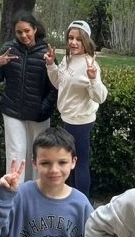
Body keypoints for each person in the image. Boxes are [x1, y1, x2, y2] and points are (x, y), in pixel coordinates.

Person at [0, 11, 57, 181]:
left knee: (39, 152)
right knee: (16, 152)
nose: (23, 35)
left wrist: (45, 108)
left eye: (27, 31)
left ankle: (37, 189)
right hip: (12, 110)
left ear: (34, 29)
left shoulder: (45, 52)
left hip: (38, 113)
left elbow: (56, 85)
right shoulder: (9, 49)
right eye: (19, 32)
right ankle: (14, 191)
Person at [44, 20, 107, 196]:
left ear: (86, 40)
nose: (73, 42)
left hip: (81, 122)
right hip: (67, 119)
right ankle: (70, 198)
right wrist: (51, 65)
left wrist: (93, 78)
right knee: (68, 162)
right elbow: (59, 84)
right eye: (70, 38)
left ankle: (82, 203)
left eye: (79, 39)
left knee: (79, 164)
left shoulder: (90, 64)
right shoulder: (68, 59)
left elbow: (100, 97)